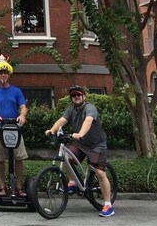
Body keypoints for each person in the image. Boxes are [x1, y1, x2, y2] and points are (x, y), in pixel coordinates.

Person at [46, 85, 114, 217]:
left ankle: (107, 205)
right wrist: (52, 130)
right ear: (71, 98)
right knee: (66, 155)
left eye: (78, 95)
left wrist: (80, 133)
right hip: (80, 144)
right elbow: (62, 120)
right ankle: (72, 182)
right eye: (74, 96)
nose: (76, 97)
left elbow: (88, 121)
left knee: (99, 172)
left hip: (96, 145)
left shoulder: (90, 108)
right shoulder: (71, 109)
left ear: (84, 96)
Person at [0, 56, 28, 197]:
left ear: (9, 75)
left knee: (18, 158)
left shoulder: (16, 91)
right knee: (0, 158)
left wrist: (22, 116)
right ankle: (2, 186)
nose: (3, 75)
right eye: (0, 73)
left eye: (5, 73)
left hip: (14, 128)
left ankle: (19, 187)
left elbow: (23, 107)